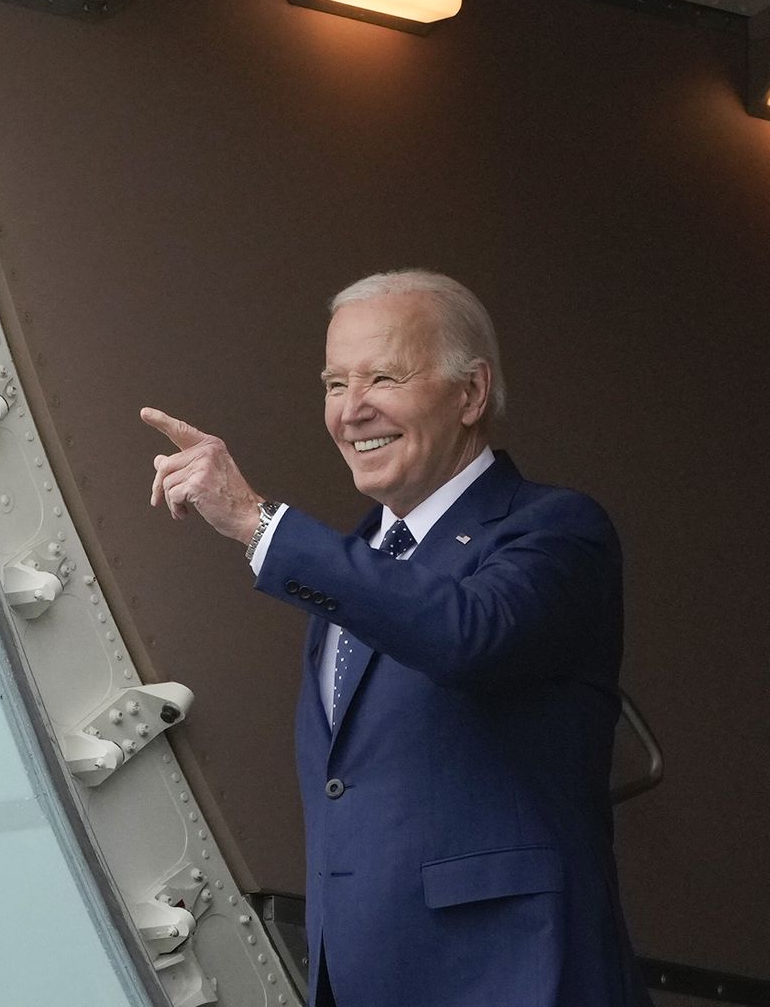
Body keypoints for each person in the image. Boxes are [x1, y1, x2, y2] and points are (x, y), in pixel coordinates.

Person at [142, 270, 650, 1007]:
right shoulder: (353, 571)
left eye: (383, 376)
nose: (352, 411)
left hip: (513, 979)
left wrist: (258, 523)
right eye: (333, 384)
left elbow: (466, 634)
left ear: (472, 393)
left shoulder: (555, 530)